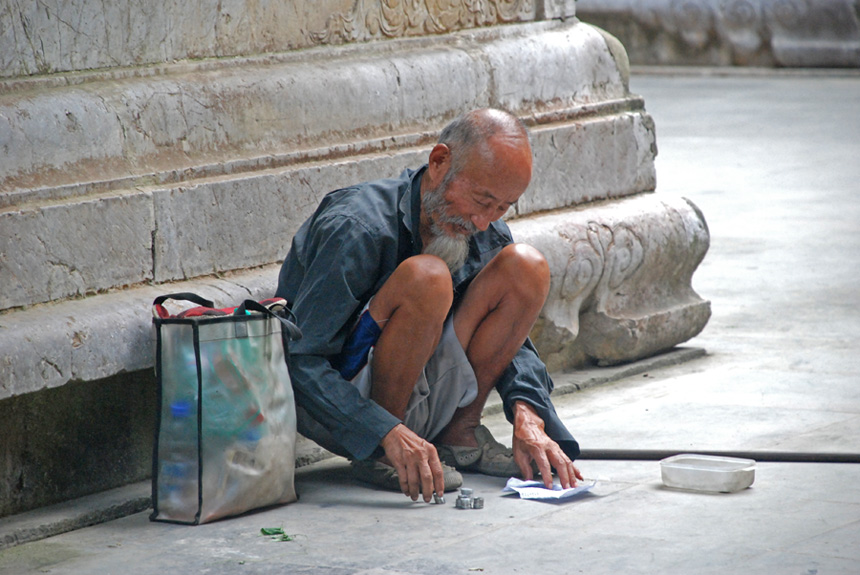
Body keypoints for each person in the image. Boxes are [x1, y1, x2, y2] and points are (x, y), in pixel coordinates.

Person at [276, 108, 582, 503]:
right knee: (428, 278)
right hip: (344, 406)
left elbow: (514, 342)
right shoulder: (357, 225)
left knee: (526, 266)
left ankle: (459, 436)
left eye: (502, 208)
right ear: (439, 162)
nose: (484, 221)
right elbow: (300, 358)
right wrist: (384, 430)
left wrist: (528, 413)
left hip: (427, 387)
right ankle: (387, 455)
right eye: (481, 200)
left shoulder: (479, 226)